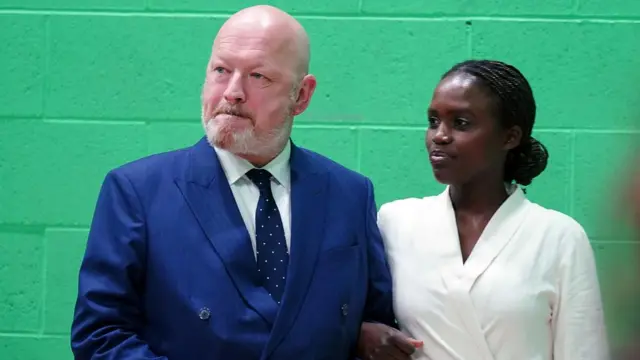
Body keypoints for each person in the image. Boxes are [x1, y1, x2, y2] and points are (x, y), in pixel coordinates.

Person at [70, 5, 414, 359]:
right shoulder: (137, 191)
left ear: (302, 95)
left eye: (258, 76)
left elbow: (374, 327)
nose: (232, 92)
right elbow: (101, 336)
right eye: (221, 70)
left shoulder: (350, 194)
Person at [366, 59, 610, 359]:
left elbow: (582, 351)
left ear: (510, 137)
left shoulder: (559, 237)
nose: (439, 136)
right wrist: (361, 333)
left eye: (461, 123)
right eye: (433, 121)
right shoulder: (396, 222)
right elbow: (349, 313)